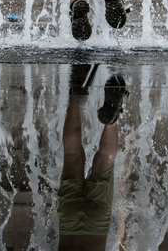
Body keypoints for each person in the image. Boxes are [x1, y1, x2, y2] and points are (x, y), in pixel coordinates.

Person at [58, 64, 128, 250]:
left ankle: (111, 120)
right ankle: (76, 89)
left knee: (106, 158)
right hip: (69, 222)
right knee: (72, 155)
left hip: (96, 227)